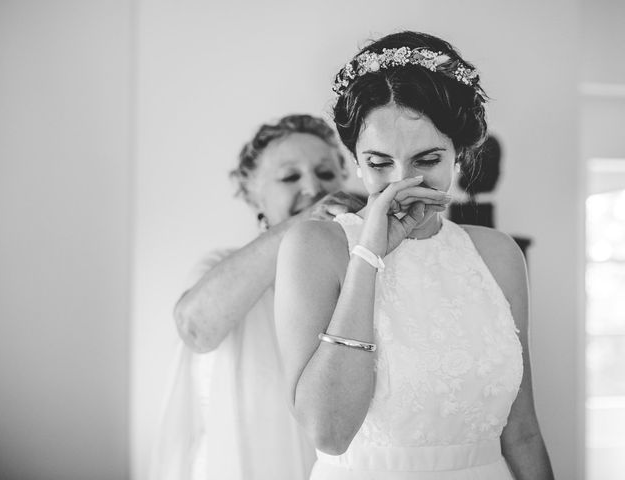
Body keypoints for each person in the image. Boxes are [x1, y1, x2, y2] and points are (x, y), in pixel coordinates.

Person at [275, 32, 555, 480]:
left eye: (426, 159)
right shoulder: (315, 247)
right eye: (379, 163)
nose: (402, 183)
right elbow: (328, 432)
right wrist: (368, 254)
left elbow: (522, 432)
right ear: (355, 159)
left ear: (458, 154)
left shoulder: (498, 254)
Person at [159, 114, 364, 480]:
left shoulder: (362, 267)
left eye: (326, 174)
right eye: (290, 177)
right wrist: (303, 223)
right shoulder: (221, 266)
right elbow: (195, 328)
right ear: (254, 193)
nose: (313, 186)